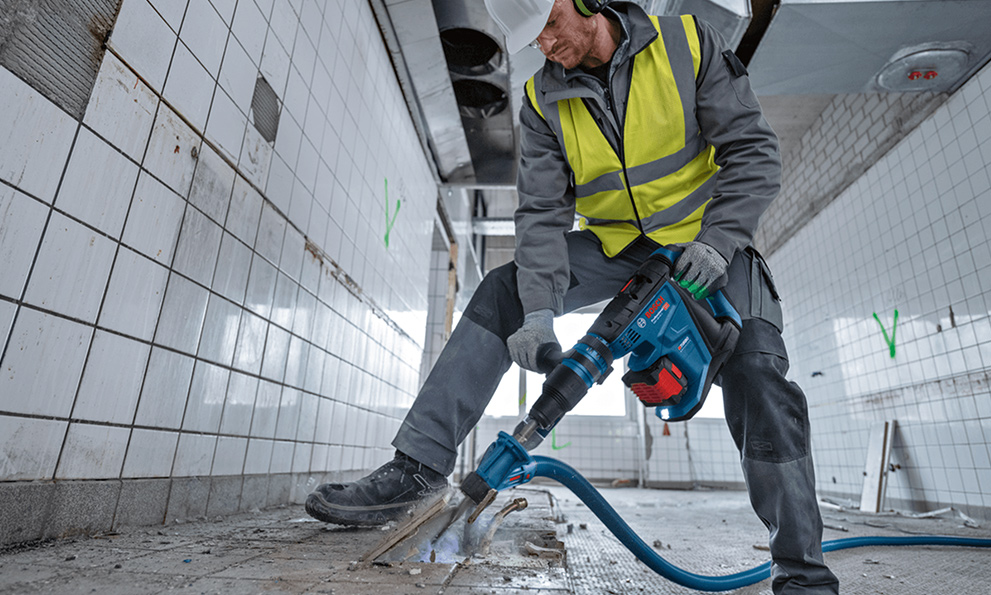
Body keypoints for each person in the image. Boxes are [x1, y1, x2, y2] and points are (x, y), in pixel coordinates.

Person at [306, 0, 839, 592]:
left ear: (582, 4)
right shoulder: (541, 101)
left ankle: (801, 572)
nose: (545, 46)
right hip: (618, 250)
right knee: (505, 290)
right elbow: (540, 215)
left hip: (708, 247)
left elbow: (753, 152)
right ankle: (418, 468)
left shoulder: (688, 44)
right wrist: (536, 314)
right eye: (533, 39)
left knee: (761, 378)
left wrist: (719, 239)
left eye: (550, 27)